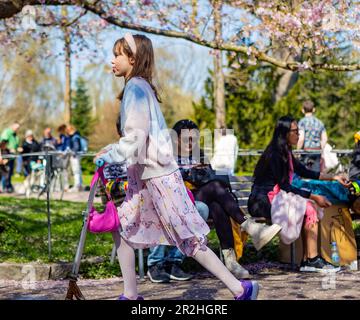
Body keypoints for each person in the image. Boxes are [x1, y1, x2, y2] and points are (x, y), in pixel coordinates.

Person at [95, 33, 259, 300]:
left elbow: (136, 137)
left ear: (133, 58)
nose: (112, 60)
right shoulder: (139, 87)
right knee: (122, 227)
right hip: (147, 178)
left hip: (158, 178)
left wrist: (110, 153)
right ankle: (130, 295)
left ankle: (241, 289)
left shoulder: (136, 88)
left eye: (117, 55)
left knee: (188, 239)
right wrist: (113, 151)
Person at [172, 119, 281, 279]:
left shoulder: (199, 154)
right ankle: (251, 229)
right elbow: (171, 181)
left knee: (217, 205)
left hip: (202, 202)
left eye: (194, 138)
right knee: (215, 187)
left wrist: (200, 174)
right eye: (186, 138)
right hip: (179, 201)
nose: (191, 142)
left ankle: (231, 261)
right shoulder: (169, 156)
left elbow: (208, 176)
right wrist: (191, 174)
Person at [248, 115, 351, 272]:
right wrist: (314, 196)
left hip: (275, 198)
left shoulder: (286, 152)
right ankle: (312, 260)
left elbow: (305, 171)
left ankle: (308, 260)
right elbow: (286, 187)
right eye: (295, 131)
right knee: (309, 207)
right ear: (285, 133)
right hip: (261, 202)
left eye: (298, 131)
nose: (298, 134)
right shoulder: (275, 154)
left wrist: (334, 177)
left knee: (308, 207)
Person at [147, 199, 209, 283]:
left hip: (177, 199)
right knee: (161, 209)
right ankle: (155, 264)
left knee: (202, 208)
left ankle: (173, 262)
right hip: (155, 200)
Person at [297, 100, 327, 172]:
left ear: (302, 110)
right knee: (316, 175)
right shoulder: (319, 122)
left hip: (306, 151)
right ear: (314, 109)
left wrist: (297, 152)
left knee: (305, 175)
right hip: (317, 151)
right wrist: (321, 149)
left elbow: (301, 138)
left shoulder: (302, 122)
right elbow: (325, 139)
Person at [1, 122, 21, 193]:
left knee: (9, 173)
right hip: (5, 155)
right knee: (4, 172)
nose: (17, 129)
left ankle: (8, 187)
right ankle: (3, 187)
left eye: (18, 128)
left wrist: (17, 148)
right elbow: (3, 143)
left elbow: (15, 145)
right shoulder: (7, 132)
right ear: (12, 126)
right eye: (16, 127)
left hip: (12, 156)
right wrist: (9, 149)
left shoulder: (15, 135)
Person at [66, 125, 83, 192]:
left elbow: (76, 147)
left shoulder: (75, 137)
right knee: (78, 171)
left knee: (76, 171)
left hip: (75, 156)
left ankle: (77, 186)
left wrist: (72, 152)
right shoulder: (76, 136)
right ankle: (80, 185)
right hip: (76, 155)